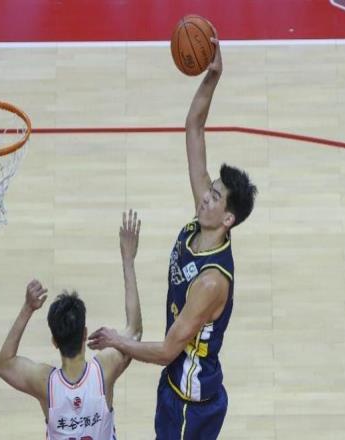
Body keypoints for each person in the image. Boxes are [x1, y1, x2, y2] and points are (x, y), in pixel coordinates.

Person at [88, 37, 258, 439]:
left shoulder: (211, 282)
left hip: (190, 403)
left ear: (228, 218)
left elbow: (167, 351)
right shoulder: (203, 220)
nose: (205, 196)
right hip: (176, 387)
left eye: (215, 196)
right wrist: (212, 78)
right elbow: (194, 129)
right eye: (209, 189)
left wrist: (117, 340)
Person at [0, 210, 142, 439]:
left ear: (54, 341)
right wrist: (128, 260)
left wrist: (28, 308)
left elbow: (4, 364)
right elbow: (134, 331)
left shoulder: (45, 382)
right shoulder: (104, 370)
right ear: (85, 334)